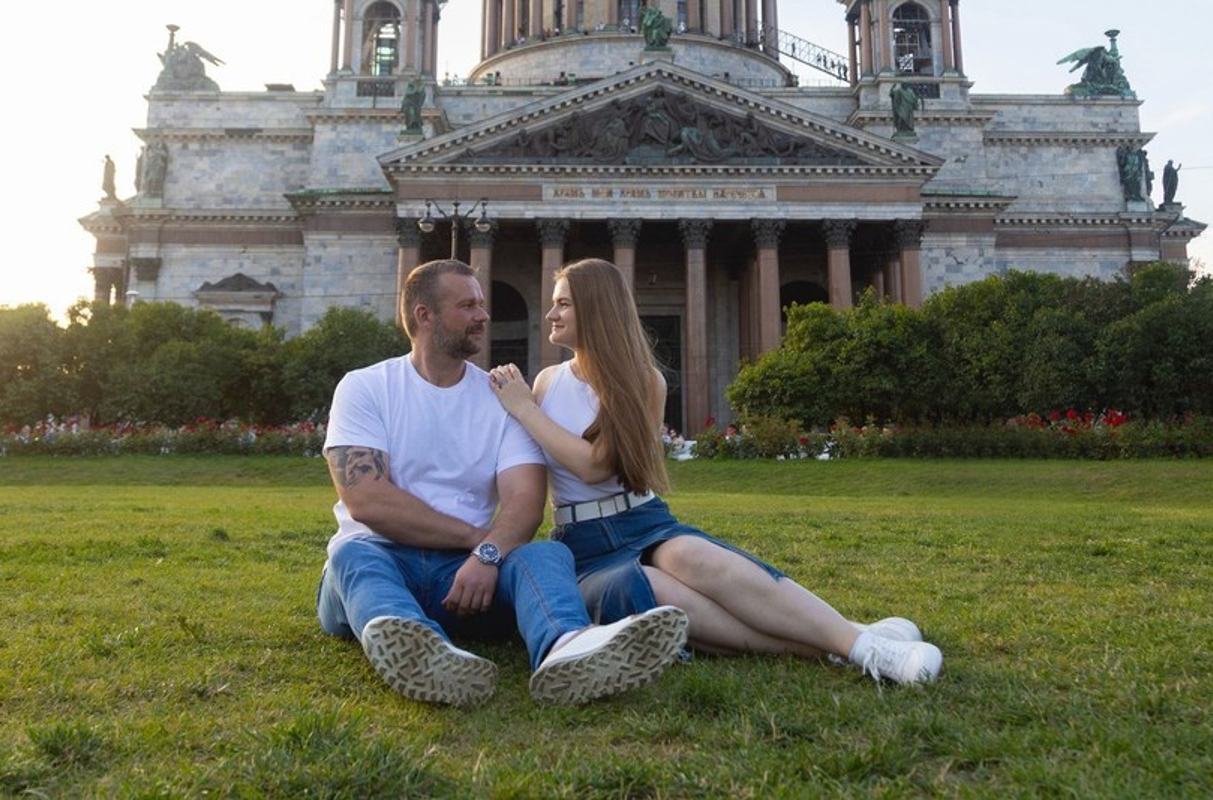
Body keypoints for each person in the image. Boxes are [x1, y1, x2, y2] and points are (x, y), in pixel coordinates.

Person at [488, 258, 943, 686]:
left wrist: (525, 409)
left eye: (563, 302)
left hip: (641, 521)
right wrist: (525, 407)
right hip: (582, 544)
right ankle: (842, 641)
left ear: (595, 308)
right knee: (665, 596)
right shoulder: (548, 381)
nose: (550, 313)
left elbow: (595, 466)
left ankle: (868, 651)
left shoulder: (644, 380)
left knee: (694, 558)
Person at [316, 259, 687, 708]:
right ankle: (416, 645)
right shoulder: (365, 387)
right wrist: (481, 544)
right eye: (468, 305)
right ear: (424, 316)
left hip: (470, 580)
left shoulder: (501, 399)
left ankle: (566, 646)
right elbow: (367, 502)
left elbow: (526, 501)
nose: (484, 316)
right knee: (352, 552)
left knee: (547, 552)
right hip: (383, 560)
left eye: (483, 304)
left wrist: (486, 556)